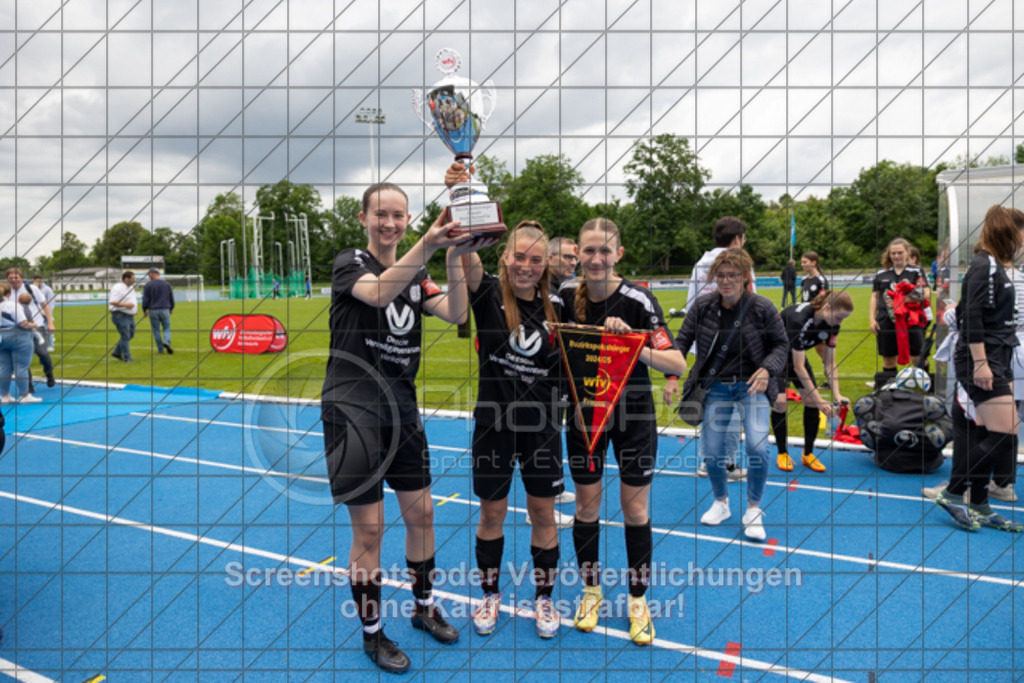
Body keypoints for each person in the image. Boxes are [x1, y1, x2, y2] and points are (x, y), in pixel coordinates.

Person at [320, 181, 492, 674]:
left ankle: (423, 607)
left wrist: (458, 253)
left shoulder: (418, 275)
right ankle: (373, 636)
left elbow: (458, 312)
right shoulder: (351, 261)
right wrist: (430, 244)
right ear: (363, 217)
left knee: (423, 516)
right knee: (370, 530)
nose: (390, 223)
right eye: (381, 214)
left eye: (399, 215)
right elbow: (376, 294)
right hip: (353, 412)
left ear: (409, 218)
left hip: (402, 411)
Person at [560, 217, 686, 646]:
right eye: (589, 251)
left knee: (635, 511)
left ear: (619, 254)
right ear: (577, 253)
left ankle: (637, 599)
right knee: (586, 509)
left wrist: (636, 341)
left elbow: (677, 364)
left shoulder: (638, 299)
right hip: (584, 417)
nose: (596, 259)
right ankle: (590, 591)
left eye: (605, 251)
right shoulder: (562, 296)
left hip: (632, 418)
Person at [459, 222, 565, 639]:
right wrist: (462, 191)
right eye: (518, 257)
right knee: (492, 513)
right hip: (493, 425)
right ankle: (490, 594)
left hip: (542, 428)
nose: (526, 266)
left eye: (535, 259)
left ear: (547, 263)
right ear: (504, 257)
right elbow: (467, 248)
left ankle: (544, 598)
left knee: (543, 513)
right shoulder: (485, 292)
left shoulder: (562, 303)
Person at [674, 248, 788, 541]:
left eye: (733, 275)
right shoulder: (702, 306)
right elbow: (682, 341)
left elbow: (781, 346)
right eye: (721, 275)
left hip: (753, 386)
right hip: (715, 387)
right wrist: (672, 376)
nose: (726, 281)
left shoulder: (763, 307)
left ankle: (753, 509)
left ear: (746, 277)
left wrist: (766, 370)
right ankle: (721, 502)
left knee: (759, 448)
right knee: (712, 454)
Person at [933, 205, 1023, 532]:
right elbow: (971, 318)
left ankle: (981, 502)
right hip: (981, 359)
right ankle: (954, 492)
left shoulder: (996, 266)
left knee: (990, 431)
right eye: (1021, 232)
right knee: (1007, 430)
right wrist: (981, 363)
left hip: (999, 356)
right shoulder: (984, 265)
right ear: (1008, 232)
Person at [665, 216, 756, 480]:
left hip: (705, 341)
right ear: (737, 239)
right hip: (734, 343)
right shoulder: (741, 264)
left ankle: (709, 461)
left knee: (711, 401)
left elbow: (692, 305)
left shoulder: (699, 265)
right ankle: (724, 464)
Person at [770, 292, 855, 473]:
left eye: (844, 319)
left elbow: (830, 362)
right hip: (774, 356)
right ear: (827, 308)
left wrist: (837, 394)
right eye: (839, 317)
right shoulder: (798, 320)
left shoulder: (832, 324)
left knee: (810, 403)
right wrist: (819, 399)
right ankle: (782, 452)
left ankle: (808, 454)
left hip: (794, 357)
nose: (840, 323)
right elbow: (799, 368)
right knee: (780, 403)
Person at [869, 238, 930, 386]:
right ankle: (890, 391)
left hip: (911, 321)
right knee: (888, 357)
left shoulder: (916, 272)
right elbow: (875, 296)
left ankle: (924, 388)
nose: (896, 256)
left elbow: (926, 294)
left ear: (908, 253)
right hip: (886, 320)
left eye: (900, 253)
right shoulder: (881, 274)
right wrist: (872, 319)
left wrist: (902, 300)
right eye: (893, 253)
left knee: (917, 356)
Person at [7, 268, 55, 389]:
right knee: (22, 357)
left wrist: (50, 323)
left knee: (42, 352)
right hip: (18, 328)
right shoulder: (7, 292)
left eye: (16, 277)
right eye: (11, 278)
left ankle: (49, 373)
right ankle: (28, 384)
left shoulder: (31, 289)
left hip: (36, 326)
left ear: (22, 278)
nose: (13, 280)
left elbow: (45, 305)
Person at [0, 282, 40, 404]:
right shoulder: (13, 305)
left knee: (4, 367)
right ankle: (24, 395)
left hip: (1, 336)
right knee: (21, 366)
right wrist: (34, 324)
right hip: (18, 336)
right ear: (9, 293)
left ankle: (5, 395)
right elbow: (23, 323)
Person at [141, 268, 174, 354]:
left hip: (153, 310)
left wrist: (144, 310)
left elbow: (145, 299)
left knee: (156, 330)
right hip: (165, 309)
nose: (148, 276)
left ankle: (160, 349)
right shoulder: (167, 284)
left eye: (149, 274)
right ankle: (167, 341)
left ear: (153, 274)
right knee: (166, 327)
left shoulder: (148, 285)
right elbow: (171, 297)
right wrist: (171, 308)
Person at [109, 271, 138, 363]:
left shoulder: (131, 288)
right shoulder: (117, 288)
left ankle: (117, 352)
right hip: (120, 315)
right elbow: (113, 301)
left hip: (129, 315)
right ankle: (127, 357)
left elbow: (131, 300)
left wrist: (134, 310)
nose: (134, 280)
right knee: (125, 336)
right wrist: (127, 305)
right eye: (133, 279)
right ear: (126, 279)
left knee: (131, 334)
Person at [30, 274, 57, 351]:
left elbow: (51, 302)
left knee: (48, 329)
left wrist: (48, 313)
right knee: (36, 330)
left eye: (38, 281)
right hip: (36, 314)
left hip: (45, 313)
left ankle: (50, 345)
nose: (37, 282)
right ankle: (38, 345)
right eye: (35, 281)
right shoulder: (31, 289)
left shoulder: (47, 289)